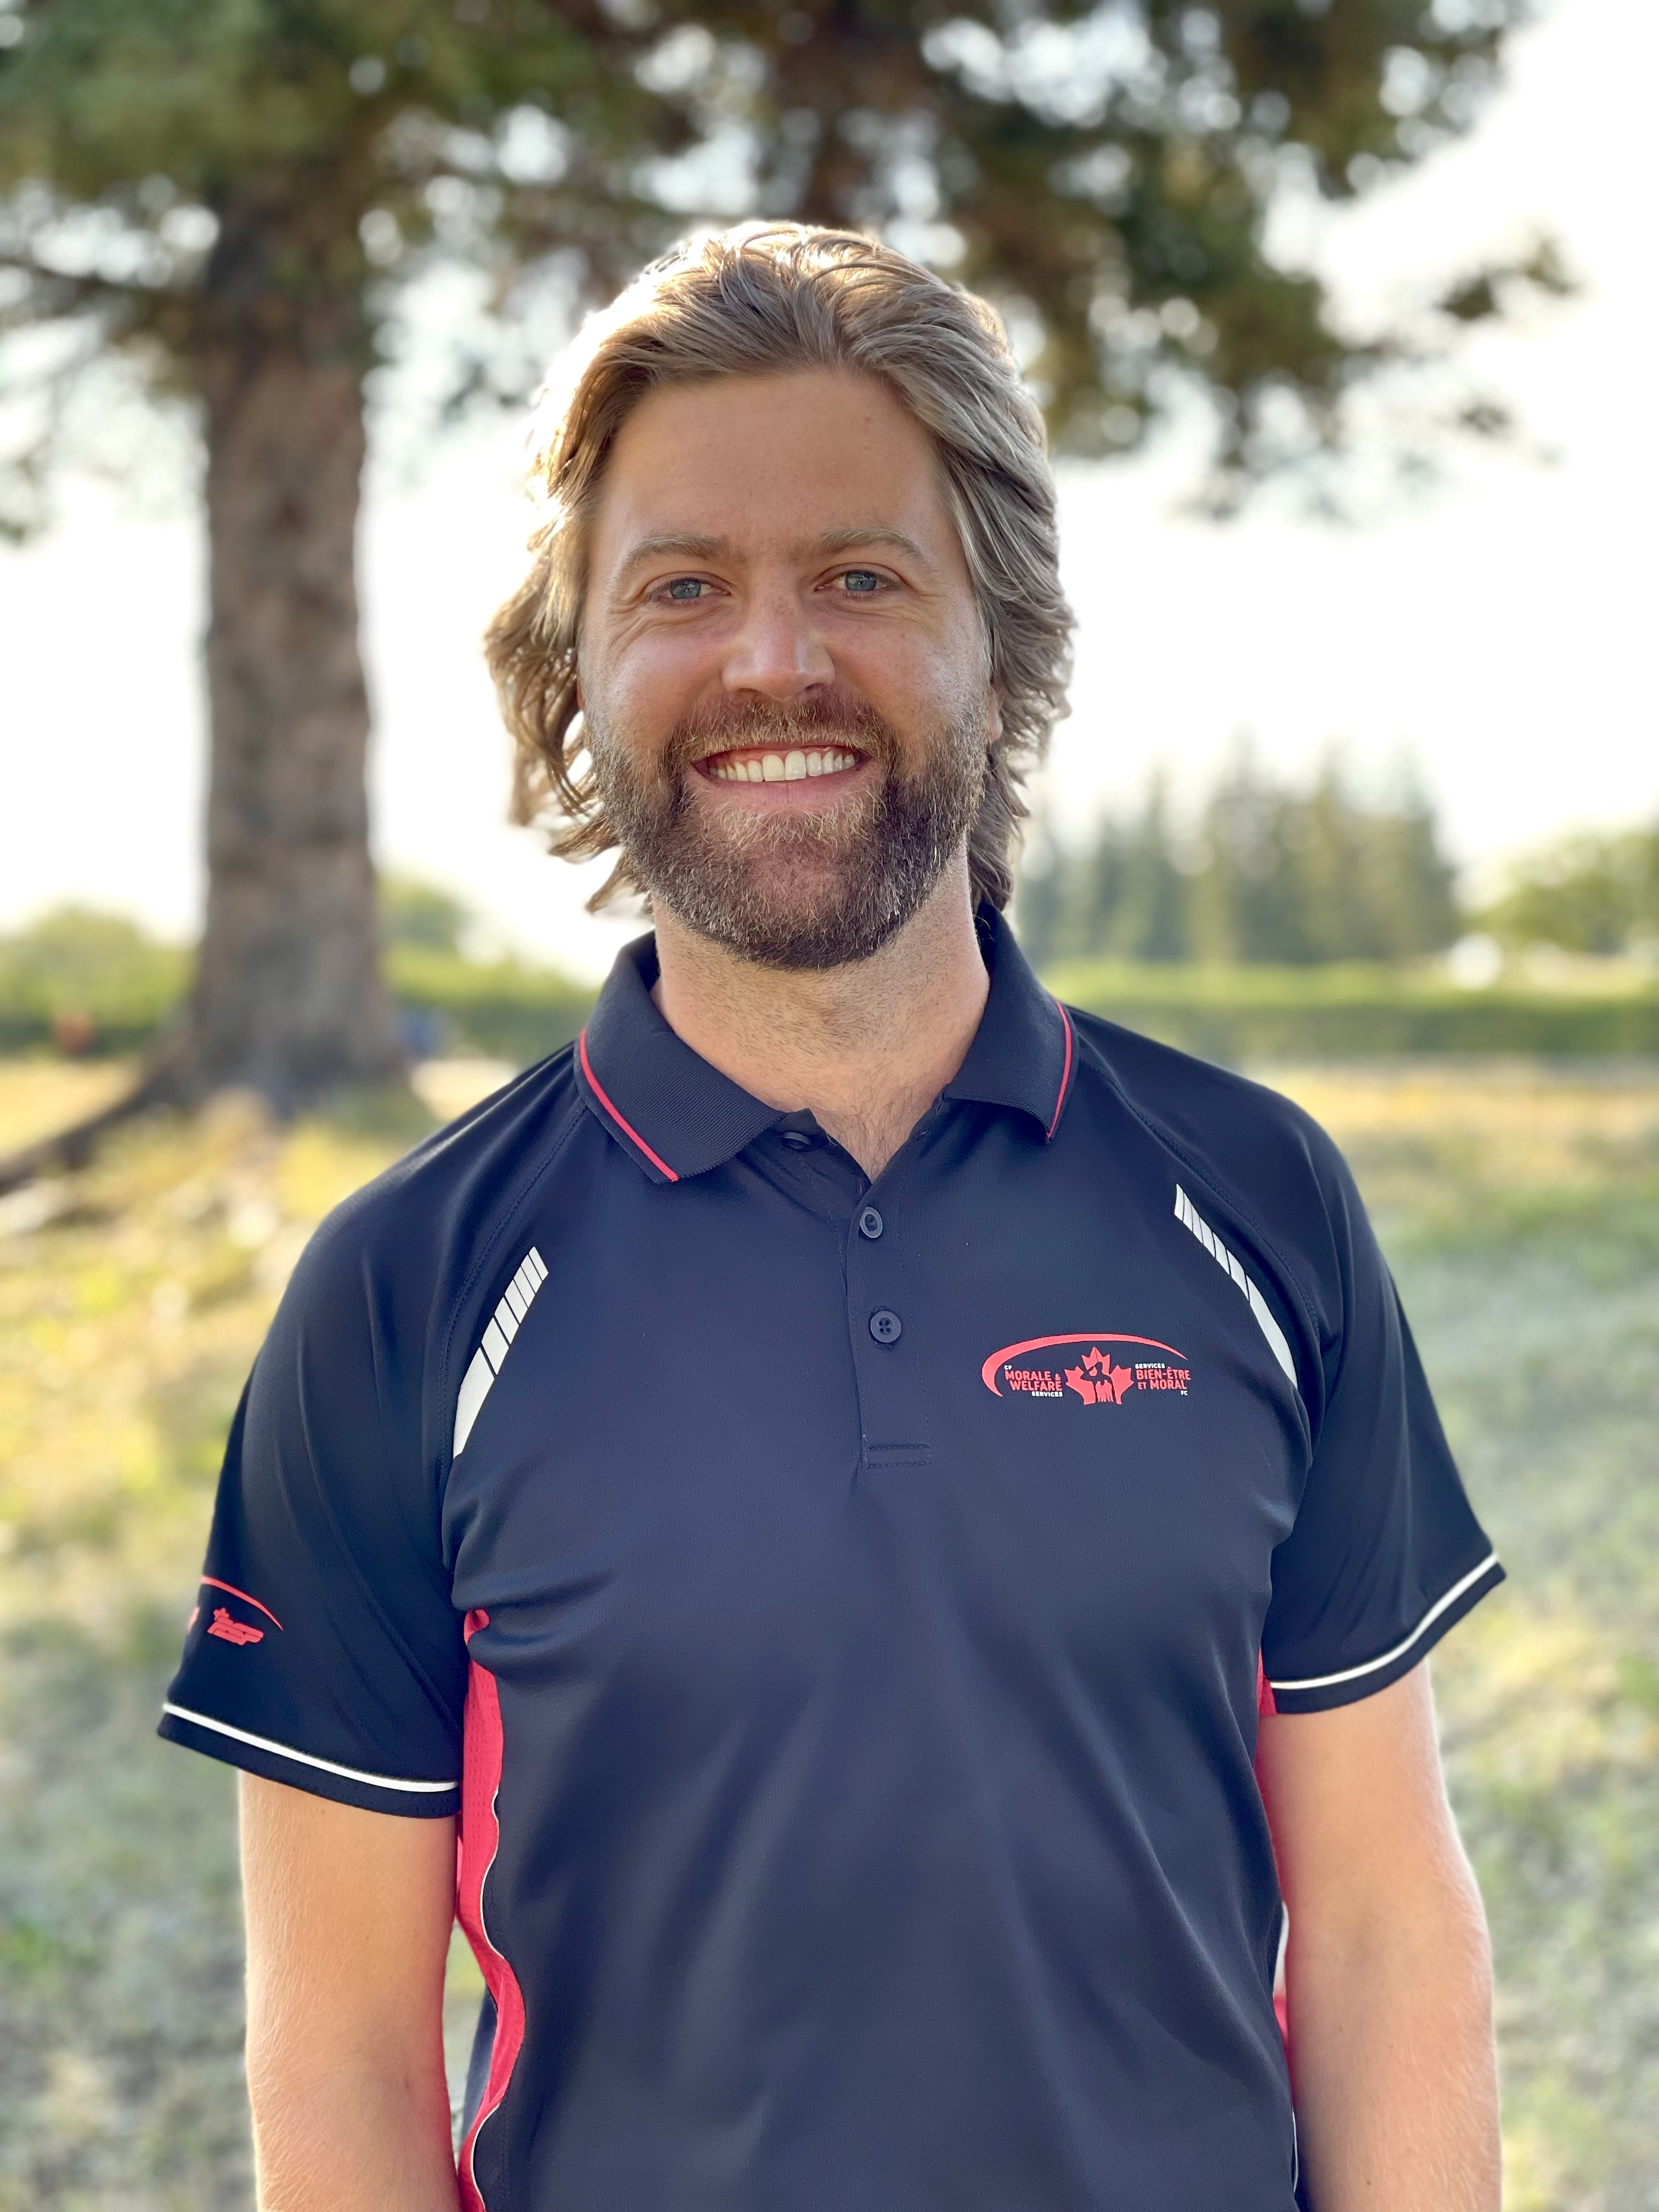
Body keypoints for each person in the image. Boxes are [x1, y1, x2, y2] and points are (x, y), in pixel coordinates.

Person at [160, 224, 1505, 2212]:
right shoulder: (405, 1293)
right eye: (681, 587)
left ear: (1001, 642)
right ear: (577, 669)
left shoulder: (1256, 1202)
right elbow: (342, 2056)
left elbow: (1385, 1932)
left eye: (860, 578)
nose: (772, 660)